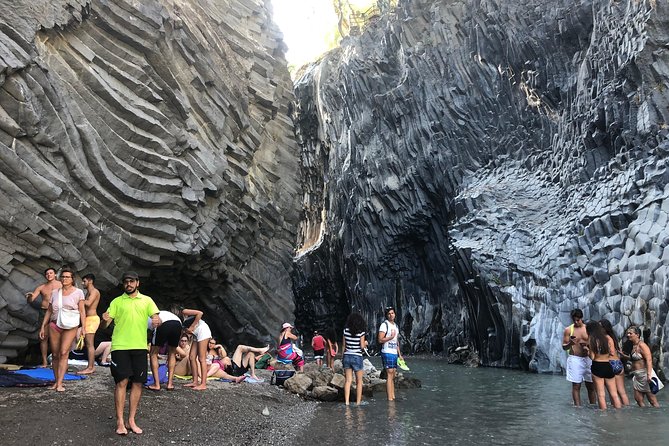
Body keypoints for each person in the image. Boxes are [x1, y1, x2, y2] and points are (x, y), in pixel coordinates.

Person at [102, 271, 160, 435]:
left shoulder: (147, 300)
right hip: (120, 346)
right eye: (126, 281)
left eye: (132, 281)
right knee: (121, 382)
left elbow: (156, 318)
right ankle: (120, 421)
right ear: (123, 284)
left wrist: (157, 321)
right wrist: (104, 320)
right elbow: (104, 326)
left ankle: (131, 420)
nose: (129, 284)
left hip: (140, 347)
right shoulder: (116, 302)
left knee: (137, 383)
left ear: (137, 283)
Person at [38, 267, 85, 391]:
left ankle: (60, 383)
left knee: (64, 352)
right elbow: (49, 310)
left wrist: (83, 327)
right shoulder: (54, 293)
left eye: (67, 277)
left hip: (70, 325)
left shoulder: (78, 292)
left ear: (72, 279)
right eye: (63, 277)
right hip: (55, 324)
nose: (64, 279)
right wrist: (43, 326)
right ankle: (55, 381)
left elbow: (82, 310)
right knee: (54, 354)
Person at [26, 267, 62, 367]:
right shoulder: (41, 287)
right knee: (43, 337)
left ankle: (58, 360)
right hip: (44, 311)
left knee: (59, 335)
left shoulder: (61, 284)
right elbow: (31, 299)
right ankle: (45, 362)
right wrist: (29, 296)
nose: (49, 275)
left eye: (51, 273)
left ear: (55, 274)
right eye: (47, 274)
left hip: (57, 311)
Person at [561, 309, 596, 406]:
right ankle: (577, 407)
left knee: (591, 385)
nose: (576, 322)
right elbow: (564, 346)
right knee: (576, 385)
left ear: (582, 318)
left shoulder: (588, 329)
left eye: (578, 320)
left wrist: (587, 346)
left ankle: (593, 405)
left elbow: (595, 344)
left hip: (588, 358)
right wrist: (570, 343)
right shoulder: (568, 330)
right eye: (574, 320)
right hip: (575, 359)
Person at [585, 321, 622, 410]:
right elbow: (612, 353)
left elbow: (593, 357)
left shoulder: (592, 339)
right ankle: (619, 413)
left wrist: (587, 350)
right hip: (608, 366)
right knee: (614, 394)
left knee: (601, 395)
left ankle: (604, 415)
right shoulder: (607, 338)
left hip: (597, 366)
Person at [623, 326, 660, 407]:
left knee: (652, 400)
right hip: (637, 376)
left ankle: (655, 415)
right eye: (627, 333)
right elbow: (636, 359)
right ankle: (645, 416)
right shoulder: (633, 345)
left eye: (630, 333)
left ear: (637, 335)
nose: (628, 335)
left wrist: (649, 375)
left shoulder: (642, 345)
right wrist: (623, 356)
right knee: (638, 399)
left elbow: (649, 360)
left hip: (645, 375)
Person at [147, 310, 182, 391]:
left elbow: (152, 329)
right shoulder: (164, 313)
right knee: (172, 353)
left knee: (153, 354)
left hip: (164, 323)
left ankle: (156, 385)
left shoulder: (149, 318)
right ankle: (170, 384)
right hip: (178, 324)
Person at [180, 308, 213, 390]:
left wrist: (192, 326)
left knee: (202, 358)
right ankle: (195, 381)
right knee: (191, 357)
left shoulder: (184, 312)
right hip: (196, 332)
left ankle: (203, 384)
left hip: (202, 330)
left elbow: (200, 313)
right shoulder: (179, 321)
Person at [599, 319, 630, 406]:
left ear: (605, 328)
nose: (599, 329)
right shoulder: (613, 337)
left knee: (612, 392)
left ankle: (616, 411)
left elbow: (611, 352)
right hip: (618, 364)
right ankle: (627, 410)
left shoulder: (606, 338)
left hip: (611, 364)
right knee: (621, 391)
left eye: (600, 327)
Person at [77, 273, 101, 375]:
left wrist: (78, 298)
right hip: (87, 319)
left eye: (84, 281)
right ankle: (90, 366)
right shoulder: (88, 292)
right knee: (87, 344)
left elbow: (88, 303)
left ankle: (91, 367)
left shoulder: (94, 292)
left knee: (90, 344)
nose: (83, 283)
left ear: (90, 281)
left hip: (92, 319)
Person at [378, 306, 403, 401]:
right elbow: (380, 339)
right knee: (389, 374)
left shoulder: (396, 326)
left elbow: (396, 342)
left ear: (395, 314)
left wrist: (399, 355)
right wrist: (390, 337)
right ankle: (389, 398)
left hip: (394, 353)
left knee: (393, 375)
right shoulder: (384, 325)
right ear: (387, 315)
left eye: (392, 313)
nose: (391, 315)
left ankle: (393, 396)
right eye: (389, 313)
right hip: (387, 351)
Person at [342, 312, 367, 406]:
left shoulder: (345, 331)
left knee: (348, 380)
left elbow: (344, 346)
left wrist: (342, 357)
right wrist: (366, 343)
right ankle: (358, 402)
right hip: (357, 356)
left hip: (347, 356)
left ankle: (347, 402)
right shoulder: (361, 332)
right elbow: (361, 346)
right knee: (359, 381)